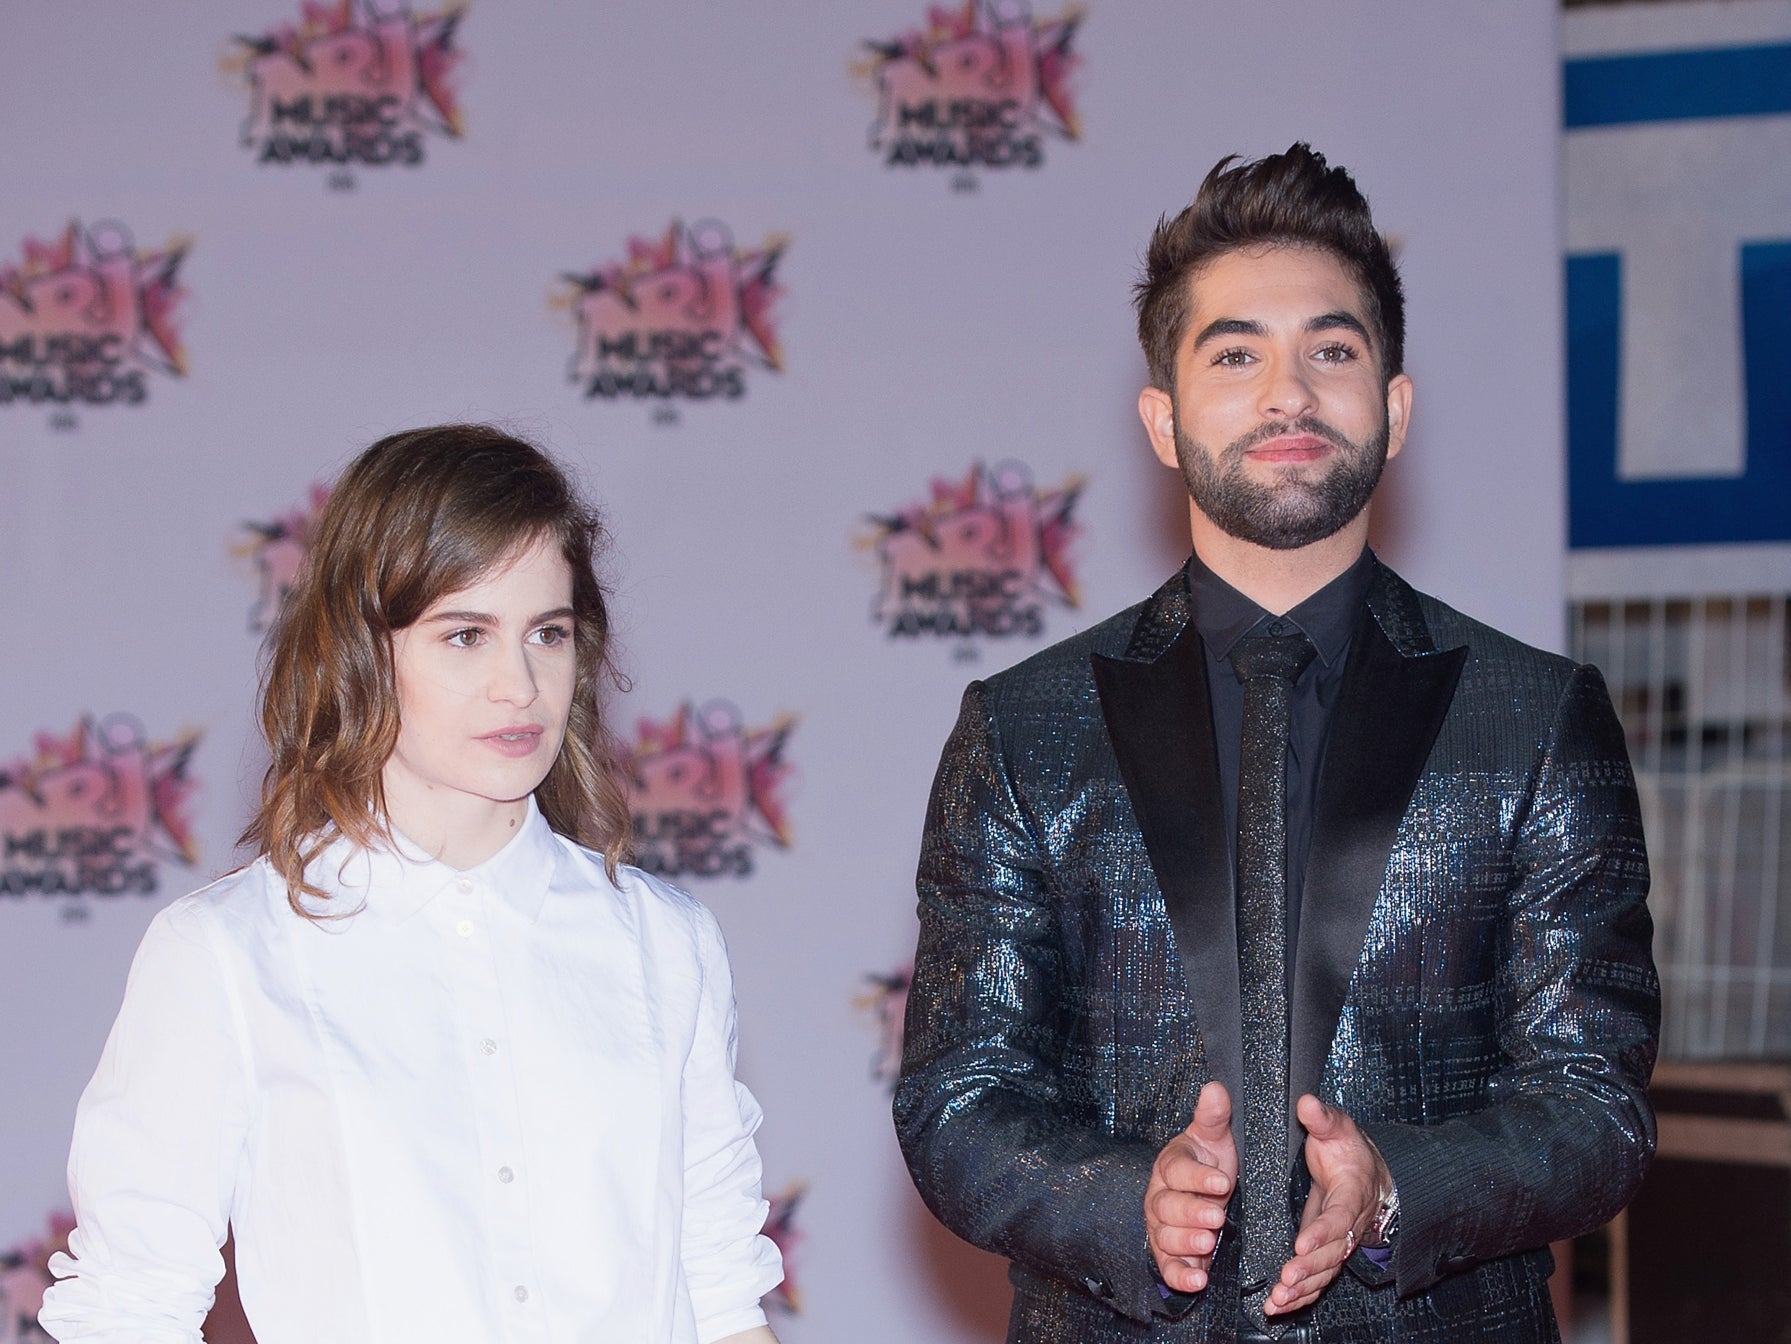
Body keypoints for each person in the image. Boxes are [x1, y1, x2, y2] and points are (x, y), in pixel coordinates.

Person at [894, 145, 1659, 1344]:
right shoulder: (1025, 728)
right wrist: (1122, 1204)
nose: (1288, 393)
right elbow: (958, 1096)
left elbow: (1595, 1106)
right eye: (1236, 353)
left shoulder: (1536, 719)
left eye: (1333, 350)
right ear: (1163, 420)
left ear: (1394, 409)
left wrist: (1398, 1186)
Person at [40, 425, 783, 1344]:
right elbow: (130, 1308)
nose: (518, 684)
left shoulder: (666, 943)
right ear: (361, 651)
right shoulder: (228, 953)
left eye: (546, 634)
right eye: (464, 636)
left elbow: (718, 1291)